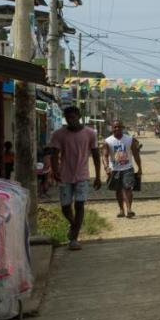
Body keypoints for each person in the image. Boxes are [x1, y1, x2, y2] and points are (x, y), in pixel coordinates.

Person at [48, 106, 102, 251]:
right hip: (65, 175)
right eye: (68, 118)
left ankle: (74, 238)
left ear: (78, 116)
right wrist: (54, 170)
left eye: (73, 117)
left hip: (82, 175)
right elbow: (54, 154)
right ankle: (74, 225)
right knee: (65, 206)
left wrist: (98, 176)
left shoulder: (90, 133)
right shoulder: (59, 134)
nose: (71, 120)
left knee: (79, 205)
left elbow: (96, 155)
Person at [101, 120, 142, 219]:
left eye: (119, 127)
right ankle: (121, 210)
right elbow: (104, 155)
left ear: (122, 128)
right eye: (115, 127)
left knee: (128, 188)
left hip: (127, 167)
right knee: (118, 190)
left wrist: (140, 168)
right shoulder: (108, 141)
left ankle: (129, 209)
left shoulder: (129, 139)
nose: (117, 129)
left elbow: (136, 154)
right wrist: (106, 167)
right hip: (114, 169)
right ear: (112, 128)